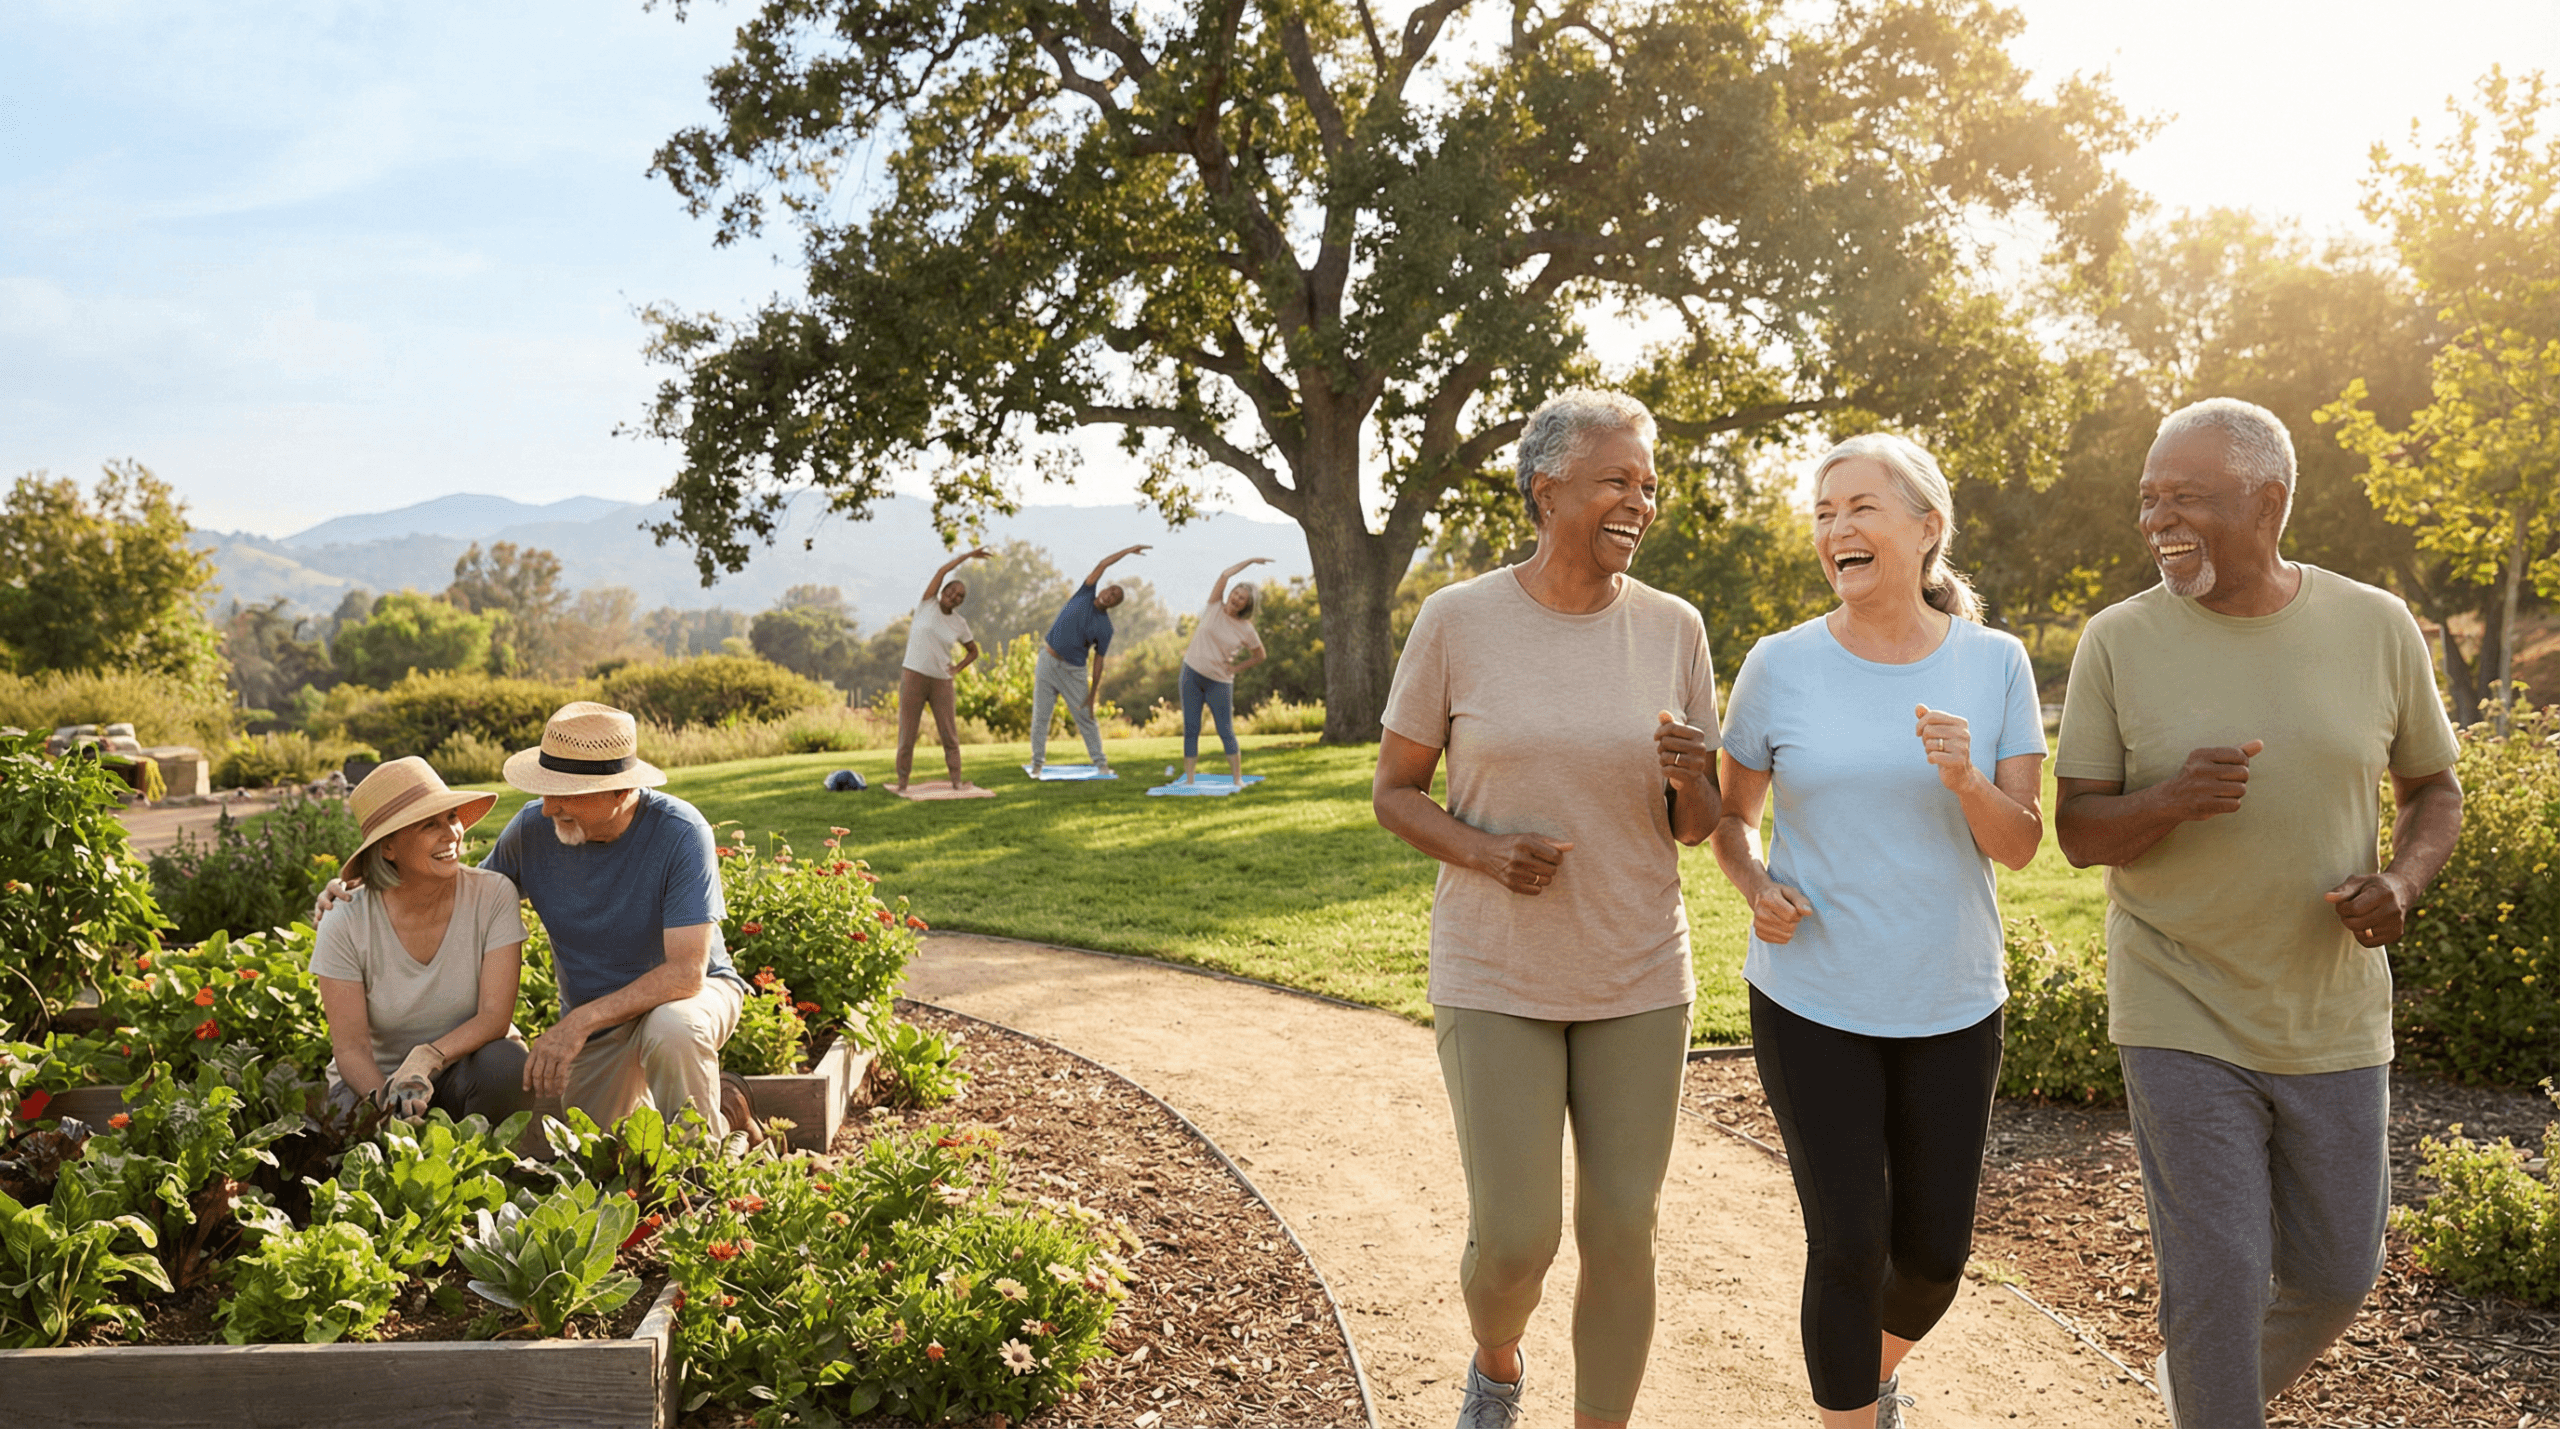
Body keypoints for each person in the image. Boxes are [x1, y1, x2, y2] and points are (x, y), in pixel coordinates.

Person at [2054, 398, 2463, 1429]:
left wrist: (2402, 882)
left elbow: (2434, 789)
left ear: (2269, 501)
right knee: (2220, 1281)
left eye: (2187, 497)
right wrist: (2166, 801)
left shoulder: (2372, 625)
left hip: (2329, 1012)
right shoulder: (2117, 640)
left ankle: (2199, 1388)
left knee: (2333, 1277)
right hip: (2177, 997)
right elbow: (2076, 830)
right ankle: (2213, 1395)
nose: (2159, 521)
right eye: (2149, 499)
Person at [1373, 389, 1719, 1429]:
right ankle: (1497, 1359)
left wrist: (1694, 776)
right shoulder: (1458, 620)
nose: (1638, 501)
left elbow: (1697, 826)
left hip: (1636, 969)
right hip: (1497, 969)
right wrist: (1482, 851)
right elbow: (1393, 792)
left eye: (1648, 484)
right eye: (1616, 479)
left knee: (1622, 1224)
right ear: (1546, 486)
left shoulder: (1673, 627)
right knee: (1516, 1238)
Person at [1709, 433, 2045, 1429]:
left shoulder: (1995, 663)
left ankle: (1860, 1377)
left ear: (1925, 527)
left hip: (1949, 997)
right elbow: (1730, 818)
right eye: (1822, 512)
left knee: (1934, 1258)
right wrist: (1753, 879)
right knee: (1849, 1244)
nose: (1834, 529)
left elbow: (2022, 843)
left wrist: (1966, 779)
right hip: (1811, 994)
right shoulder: (1781, 664)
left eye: (1858, 507)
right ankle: (1848, 1413)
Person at [319, 702, 755, 1138]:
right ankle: (731, 1107)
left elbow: (684, 975)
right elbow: (457, 892)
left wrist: (576, 1024)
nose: (549, 808)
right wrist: (364, 887)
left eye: (566, 794)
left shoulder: (679, 832)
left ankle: (702, 1178)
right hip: (600, 1023)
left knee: (671, 1029)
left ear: (621, 791)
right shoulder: (532, 831)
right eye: (547, 790)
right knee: (607, 1153)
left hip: (686, 995)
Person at [312, 757, 527, 1121]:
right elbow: (351, 1049)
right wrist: (389, 1104)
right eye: (430, 825)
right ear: (388, 849)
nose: (451, 834)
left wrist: (427, 1058)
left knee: (507, 1064)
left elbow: (495, 1017)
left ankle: (487, 1168)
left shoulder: (492, 895)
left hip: (462, 1069)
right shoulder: (346, 918)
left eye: (452, 818)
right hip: (373, 1083)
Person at [1029, 543, 1148, 776]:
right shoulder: (1085, 593)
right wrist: (1126, 551)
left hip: (1073, 671)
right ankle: (1037, 765)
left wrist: (1093, 693)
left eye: (1115, 597)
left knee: (1086, 718)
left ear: (1115, 605)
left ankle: (1101, 764)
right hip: (1047, 660)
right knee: (1041, 717)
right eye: (1110, 590)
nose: (1110, 595)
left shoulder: (1105, 627)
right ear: (1103, 589)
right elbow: (1103, 564)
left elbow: (1099, 661)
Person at [896, 547, 988, 792]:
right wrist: (968, 556)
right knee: (907, 734)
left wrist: (957, 668)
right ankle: (902, 783)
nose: (954, 597)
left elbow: (973, 650)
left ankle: (957, 781)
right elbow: (942, 570)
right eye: (952, 591)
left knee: (949, 734)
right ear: (944, 591)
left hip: (941, 682)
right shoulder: (927, 603)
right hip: (913, 675)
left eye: (960, 596)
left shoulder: (959, 624)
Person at [1178, 557, 1271, 785]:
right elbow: (1225, 574)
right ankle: (1189, 780)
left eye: (1242, 599)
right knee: (1191, 728)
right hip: (1191, 674)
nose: (1236, 599)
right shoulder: (1213, 606)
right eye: (1236, 594)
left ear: (1246, 605)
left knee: (1225, 731)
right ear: (1230, 594)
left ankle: (1237, 780)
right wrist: (1250, 561)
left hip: (1219, 682)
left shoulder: (1246, 630)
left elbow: (1260, 655)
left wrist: (1236, 668)